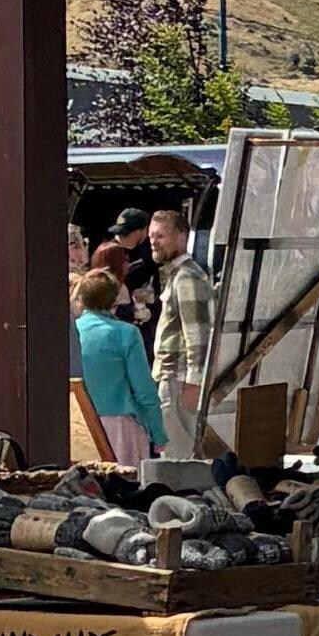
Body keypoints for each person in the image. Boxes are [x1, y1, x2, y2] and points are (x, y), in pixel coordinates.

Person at [71, 263, 166, 473]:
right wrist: (158, 433)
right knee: (126, 490)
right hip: (121, 424)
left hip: (80, 425)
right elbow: (144, 389)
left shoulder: (71, 332)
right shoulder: (126, 333)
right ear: (114, 298)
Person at [142, 196, 219, 445]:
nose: (154, 242)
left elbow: (198, 335)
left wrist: (194, 384)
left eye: (161, 236)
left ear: (182, 237)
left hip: (178, 380)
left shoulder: (187, 277)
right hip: (172, 378)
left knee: (180, 455)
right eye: (152, 236)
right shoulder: (177, 275)